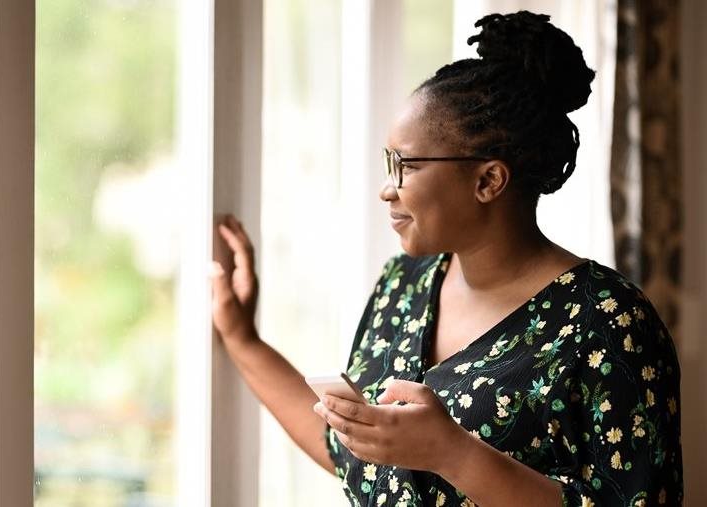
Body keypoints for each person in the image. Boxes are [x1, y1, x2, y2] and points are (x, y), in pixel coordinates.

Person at [209, 10, 682, 507]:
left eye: (406, 166)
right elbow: (355, 454)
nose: (387, 190)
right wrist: (242, 338)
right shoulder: (404, 283)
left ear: (488, 181)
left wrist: (453, 453)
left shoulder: (608, 321)